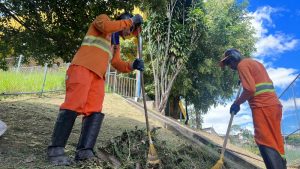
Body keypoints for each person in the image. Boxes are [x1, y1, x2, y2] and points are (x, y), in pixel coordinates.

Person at [47, 12, 144, 166]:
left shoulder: (115, 42)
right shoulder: (103, 19)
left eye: (131, 29)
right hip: (82, 68)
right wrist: (131, 21)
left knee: (94, 111)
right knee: (73, 105)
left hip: (98, 77)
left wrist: (132, 65)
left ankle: (84, 151)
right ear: (122, 20)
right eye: (128, 26)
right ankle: (56, 150)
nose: (129, 30)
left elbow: (117, 63)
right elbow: (107, 27)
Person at [219, 48, 286, 169]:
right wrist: (243, 79)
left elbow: (250, 89)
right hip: (274, 105)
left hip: (262, 107)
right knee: (276, 142)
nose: (230, 67)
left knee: (265, 140)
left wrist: (237, 103)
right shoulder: (254, 63)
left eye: (229, 63)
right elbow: (256, 81)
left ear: (234, 58)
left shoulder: (242, 65)